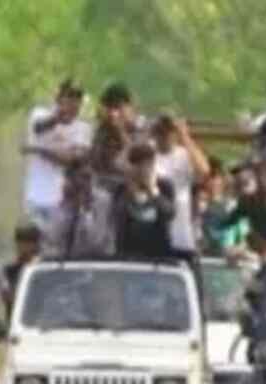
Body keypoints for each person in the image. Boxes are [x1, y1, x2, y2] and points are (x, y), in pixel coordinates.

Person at [23, 79, 92, 232]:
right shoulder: (39, 114)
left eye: (77, 99)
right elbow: (39, 127)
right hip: (37, 198)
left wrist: (38, 150)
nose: (73, 103)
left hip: (63, 203)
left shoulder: (83, 128)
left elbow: (72, 160)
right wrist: (58, 117)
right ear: (59, 98)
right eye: (69, 97)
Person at [149, 114, 210, 255]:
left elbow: (204, 170)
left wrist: (184, 135)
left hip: (180, 230)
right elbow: (123, 164)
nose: (164, 136)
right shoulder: (148, 151)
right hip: (151, 225)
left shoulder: (183, 154)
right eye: (160, 131)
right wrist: (145, 134)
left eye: (169, 131)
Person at [111, 142, 176, 259]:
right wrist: (129, 192)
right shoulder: (122, 188)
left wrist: (153, 191)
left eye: (147, 165)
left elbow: (169, 213)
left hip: (159, 252)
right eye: (138, 165)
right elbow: (116, 215)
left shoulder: (164, 186)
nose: (143, 169)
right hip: (128, 252)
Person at [43, 159, 115, 257]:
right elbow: (52, 240)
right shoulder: (60, 204)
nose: (88, 183)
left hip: (99, 260)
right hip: (68, 261)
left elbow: (96, 241)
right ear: (70, 179)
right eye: (83, 177)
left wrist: (86, 210)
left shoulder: (103, 201)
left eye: (90, 177)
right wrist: (71, 207)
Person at [89, 82, 140, 192]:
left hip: (126, 192)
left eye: (118, 107)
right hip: (100, 189)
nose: (113, 112)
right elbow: (93, 162)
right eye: (109, 107)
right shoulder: (101, 130)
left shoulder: (139, 131)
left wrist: (119, 130)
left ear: (130, 107)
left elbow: (137, 159)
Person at [0, 223, 42, 318]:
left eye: (29, 243)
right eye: (21, 243)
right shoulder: (9, 270)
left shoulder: (42, 270)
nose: (24, 247)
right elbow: (7, 296)